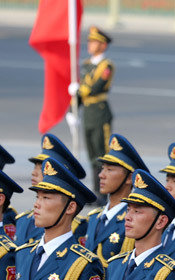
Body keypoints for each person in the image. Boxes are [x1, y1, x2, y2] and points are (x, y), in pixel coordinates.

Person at [85, 134, 149, 266]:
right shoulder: (94, 217)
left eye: (109, 170)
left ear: (129, 178)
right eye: (103, 168)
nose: (101, 175)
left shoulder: (134, 220)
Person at [69, 26, 115, 202]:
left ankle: (105, 193)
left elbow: (97, 87)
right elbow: (80, 92)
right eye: (89, 41)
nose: (90, 44)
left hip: (100, 113)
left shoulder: (106, 66)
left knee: (102, 155)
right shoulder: (87, 65)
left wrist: (79, 90)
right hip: (88, 113)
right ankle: (97, 191)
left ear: (103, 45)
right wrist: (72, 110)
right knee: (92, 156)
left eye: (94, 42)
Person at [19, 134, 89, 247]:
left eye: (43, 168)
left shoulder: (76, 225)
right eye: (35, 167)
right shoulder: (22, 220)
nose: (34, 173)